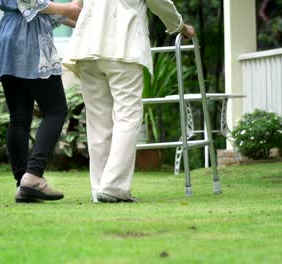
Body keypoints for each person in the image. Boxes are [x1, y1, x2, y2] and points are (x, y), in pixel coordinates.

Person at [63, 0, 196, 203]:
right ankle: (113, 187)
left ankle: (99, 188)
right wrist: (180, 26)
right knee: (127, 117)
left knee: (98, 121)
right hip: (123, 48)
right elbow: (160, 3)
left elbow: (78, 7)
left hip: (86, 49)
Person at [0, 0, 81, 203]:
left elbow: (34, 9)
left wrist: (72, 17)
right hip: (29, 41)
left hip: (8, 38)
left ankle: (23, 183)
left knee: (19, 118)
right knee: (56, 110)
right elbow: (31, 1)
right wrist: (66, 9)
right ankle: (33, 175)